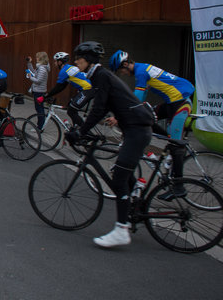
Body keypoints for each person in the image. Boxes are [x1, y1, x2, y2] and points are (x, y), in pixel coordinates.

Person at [64, 41, 154, 248]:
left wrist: (81, 131)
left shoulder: (101, 76)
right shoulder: (98, 76)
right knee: (120, 169)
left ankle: (121, 229)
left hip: (137, 130)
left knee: (119, 177)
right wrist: (83, 129)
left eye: (78, 58)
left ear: (88, 60)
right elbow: (99, 107)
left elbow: (99, 109)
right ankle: (134, 200)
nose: (76, 61)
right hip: (133, 128)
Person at [109, 49, 195, 200]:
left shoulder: (141, 72)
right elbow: (139, 101)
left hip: (181, 103)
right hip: (171, 103)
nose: (122, 74)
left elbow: (137, 99)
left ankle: (179, 187)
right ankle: (168, 138)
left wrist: (120, 115)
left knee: (176, 147)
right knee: (148, 118)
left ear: (125, 64)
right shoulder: (143, 69)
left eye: (121, 70)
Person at [37, 52, 93, 127]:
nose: (54, 63)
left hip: (88, 89)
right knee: (70, 106)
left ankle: (83, 131)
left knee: (71, 111)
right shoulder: (69, 68)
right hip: (86, 89)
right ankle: (75, 127)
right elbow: (62, 86)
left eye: (55, 61)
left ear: (59, 62)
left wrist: (44, 97)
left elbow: (58, 87)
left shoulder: (64, 71)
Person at [26, 52, 50, 129]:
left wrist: (30, 77)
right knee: (39, 108)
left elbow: (38, 80)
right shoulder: (41, 67)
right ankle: (40, 125)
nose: (36, 58)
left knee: (39, 109)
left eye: (37, 57)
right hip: (38, 90)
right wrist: (29, 63)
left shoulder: (42, 69)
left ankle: (40, 127)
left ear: (41, 58)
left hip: (39, 91)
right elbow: (34, 72)